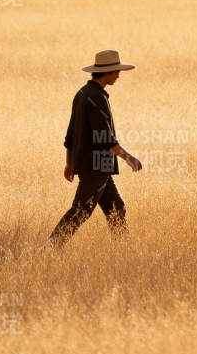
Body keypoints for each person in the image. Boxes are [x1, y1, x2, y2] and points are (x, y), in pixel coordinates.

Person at [49, 50, 142, 247]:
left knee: (117, 208)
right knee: (81, 211)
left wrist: (69, 162)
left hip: (97, 165)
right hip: (96, 166)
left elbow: (71, 134)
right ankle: (51, 247)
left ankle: (123, 251)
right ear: (107, 72)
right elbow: (105, 137)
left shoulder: (82, 93)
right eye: (116, 71)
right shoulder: (96, 98)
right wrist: (129, 158)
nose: (118, 75)